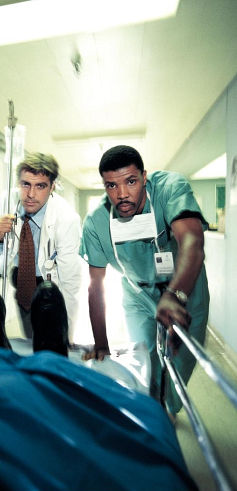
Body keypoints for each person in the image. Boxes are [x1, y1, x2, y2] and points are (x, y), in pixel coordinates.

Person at [79, 144, 209, 416]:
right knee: (145, 360)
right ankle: (155, 414)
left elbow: (192, 241)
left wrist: (176, 296)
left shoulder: (169, 188)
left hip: (187, 290)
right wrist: (101, 342)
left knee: (179, 363)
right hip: (138, 295)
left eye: (130, 181)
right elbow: (95, 285)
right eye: (111, 186)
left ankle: (170, 405)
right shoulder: (96, 222)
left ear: (144, 177)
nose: (122, 194)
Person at [0, 152, 83, 341]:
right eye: (26, 184)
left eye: (40, 186)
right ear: (18, 183)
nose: (31, 195)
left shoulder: (67, 219)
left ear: (52, 187)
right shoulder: (7, 201)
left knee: (53, 341)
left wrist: (68, 335)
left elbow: (70, 281)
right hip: (21, 280)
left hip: (50, 285)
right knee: (31, 338)